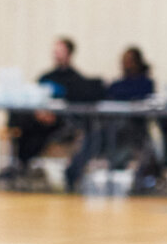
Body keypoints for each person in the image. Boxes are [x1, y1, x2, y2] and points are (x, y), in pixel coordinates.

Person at [11, 36, 102, 171]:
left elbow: (74, 109)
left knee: (40, 134)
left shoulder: (76, 80)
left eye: (60, 51)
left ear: (69, 54)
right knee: (22, 123)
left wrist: (54, 116)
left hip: (60, 123)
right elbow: (36, 98)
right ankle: (21, 165)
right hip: (39, 120)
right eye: (55, 52)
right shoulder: (45, 77)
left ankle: (25, 165)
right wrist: (39, 113)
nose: (57, 55)